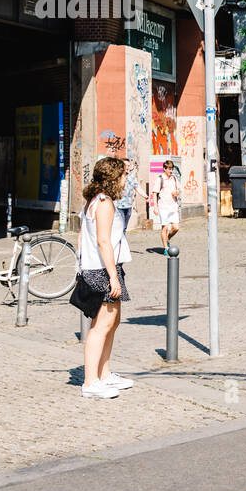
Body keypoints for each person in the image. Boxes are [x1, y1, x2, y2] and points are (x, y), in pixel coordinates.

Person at [78, 157, 134, 399]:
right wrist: (113, 276)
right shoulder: (103, 203)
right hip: (102, 269)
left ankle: (104, 373)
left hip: (104, 267)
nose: (126, 180)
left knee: (112, 322)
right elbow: (103, 241)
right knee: (100, 326)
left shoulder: (97, 201)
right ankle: (91, 381)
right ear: (114, 178)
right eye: (123, 175)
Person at [151, 160, 181, 253]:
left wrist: (176, 193)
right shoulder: (160, 179)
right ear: (164, 169)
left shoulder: (174, 178)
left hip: (173, 207)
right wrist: (155, 207)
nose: (171, 171)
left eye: (172, 169)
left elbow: (178, 189)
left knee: (176, 228)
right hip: (163, 207)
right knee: (165, 227)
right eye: (169, 169)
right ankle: (166, 248)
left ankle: (167, 238)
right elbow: (154, 193)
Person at [115, 157, 141, 235]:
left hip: (128, 205)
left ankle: (121, 242)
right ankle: (119, 244)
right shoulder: (116, 177)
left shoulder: (131, 176)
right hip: (118, 205)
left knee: (124, 227)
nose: (127, 167)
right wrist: (123, 176)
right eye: (125, 165)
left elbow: (137, 187)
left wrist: (145, 196)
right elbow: (120, 187)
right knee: (120, 226)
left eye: (129, 165)